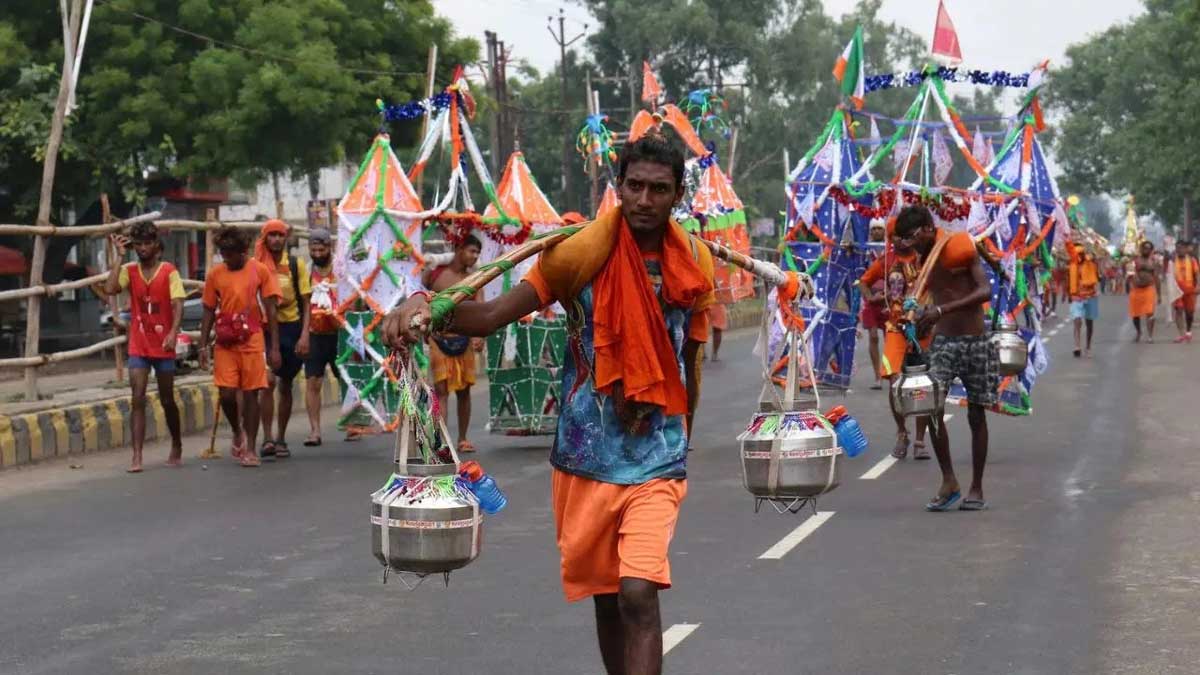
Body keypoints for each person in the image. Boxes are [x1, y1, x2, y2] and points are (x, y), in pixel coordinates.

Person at [383, 134, 716, 675]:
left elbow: (691, 363)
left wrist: (686, 438)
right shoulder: (577, 256)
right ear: (619, 188)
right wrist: (428, 307)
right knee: (606, 596)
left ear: (677, 195)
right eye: (635, 186)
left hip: (658, 456)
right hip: (585, 458)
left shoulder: (693, 263)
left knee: (638, 591)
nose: (645, 200)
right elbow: (490, 317)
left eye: (659, 189)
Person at [898, 206, 997, 512]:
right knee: (930, 408)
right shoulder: (923, 261)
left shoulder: (959, 247)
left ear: (928, 228)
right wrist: (922, 319)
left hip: (975, 340)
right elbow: (932, 297)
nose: (911, 245)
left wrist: (941, 311)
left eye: (913, 238)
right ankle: (949, 481)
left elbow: (984, 291)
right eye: (906, 241)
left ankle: (976, 487)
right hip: (944, 343)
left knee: (977, 414)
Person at [104, 222, 186, 473]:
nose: (142, 248)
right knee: (137, 397)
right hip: (139, 342)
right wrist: (119, 256)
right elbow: (110, 288)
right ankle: (137, 454)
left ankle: (176, 443)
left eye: (147, 243)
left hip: (163, 343)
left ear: (156, 246)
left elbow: (178, 303)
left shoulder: (169, 271)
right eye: (138, 244)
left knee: (167, 398)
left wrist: (173, 332)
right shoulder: (129, 270)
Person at [199, 226, 282, 468]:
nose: (226, 257)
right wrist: (202, 345)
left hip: (252, 339)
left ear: (243, 252)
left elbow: (271, 310)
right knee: (226, 393)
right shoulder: (215, 274)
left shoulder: (260, 270)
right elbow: (207, 309)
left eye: (230, 253)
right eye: (222, 253)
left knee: (251, 394)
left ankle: (251, 448)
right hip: (225, 342)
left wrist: (274, 347)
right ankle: (237, 431)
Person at [855, 218, 931, 460]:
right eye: (896, 235)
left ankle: (920, 441)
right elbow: (864, 282)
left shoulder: (926, 259)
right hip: (896, 328)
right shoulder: (886, 260)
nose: (901, 239)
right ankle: (902, 432)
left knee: (921, 385)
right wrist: (874, 298)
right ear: (891, 237)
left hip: (923, 330)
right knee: (895, 380)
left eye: (905, 234)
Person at [422, 235, 485, 453]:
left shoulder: (475, 278)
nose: (474, 256)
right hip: (439, 340)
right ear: (459, 249)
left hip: (464, 338)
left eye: (477, 253)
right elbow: (420, 296)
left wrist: (480, 336)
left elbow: (481, 306)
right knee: (441, 391)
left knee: (464, 391)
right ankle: (441, 441)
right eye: (471, 251)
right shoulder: (436, 274)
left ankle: (463, 439)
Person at [255, 219, 311, 460]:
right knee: (267, 382)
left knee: (285, 384)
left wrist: (305, 335)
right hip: (265, 329)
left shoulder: (296, 266)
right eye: (272, 235)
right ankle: (266, 437)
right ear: (265, 238)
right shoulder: (257, 267)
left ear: (285, 239)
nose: (276, 239)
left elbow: (307, 303)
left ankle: (280, 437)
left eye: (280, 235)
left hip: (291, 328)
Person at [303, 229, 338, 446]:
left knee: (345, 379)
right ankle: (315, 430)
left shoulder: (340, 269)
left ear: (329, 248)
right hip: (315, 334)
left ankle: (353, 423)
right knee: (313, 382)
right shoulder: (307, 272)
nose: (317, 253)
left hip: (338, 333)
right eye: (313, 249)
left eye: (321, 249)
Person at [860, 220, 888, 390]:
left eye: (880, 228)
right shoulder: (864, 251)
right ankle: (877, 376)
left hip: (888, 298)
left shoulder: (890, 250)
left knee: (889, 336)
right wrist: (869, 296)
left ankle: (889, 372)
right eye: (874, 229)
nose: (877, 231)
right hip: (870, 298)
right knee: (873, 336)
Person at [1065, 236, 1100, 358]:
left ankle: (1088, 346)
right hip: (1076, 297)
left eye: (1080, 254)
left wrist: (1093, 257)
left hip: (1090, 296)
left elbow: (1097, 276)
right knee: (1077, 320)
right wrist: (1068, 294)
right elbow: (1068, 281)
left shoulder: (1091, 264)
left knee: (1089, 323)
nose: (1078, 256)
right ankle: (1077, 346)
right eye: (1075, 254)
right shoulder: (1071, 266)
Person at [1129, 240, 1161, 343]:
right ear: (1141, 248)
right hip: (1136, 289)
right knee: (1135, 314)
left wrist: (1159, 294)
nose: (1146, 250)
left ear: (1151, 250)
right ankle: (1138, 332)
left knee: (1150, 313)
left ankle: (1150, 336)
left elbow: (1156, 278)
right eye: (1144, 248)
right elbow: (1130, 273)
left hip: (1149, 288)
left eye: (1148, 248)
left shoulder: (1153, 262)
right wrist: (1133, 279)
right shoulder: (1135, 260)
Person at [1171, 240, 1198, 342]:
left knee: (1189, 313)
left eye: (1181, 248)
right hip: (1177, 289)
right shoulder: (1173, 260)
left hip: (1189, 289)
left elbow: (1197, 274)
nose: (1179, 250)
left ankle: (1188, 331)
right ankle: (1181, 334)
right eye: (1177, 248)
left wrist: (1198, 286)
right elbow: (1169, 274)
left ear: (1186, 249)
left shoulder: (1192, 260)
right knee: (1178, 310)